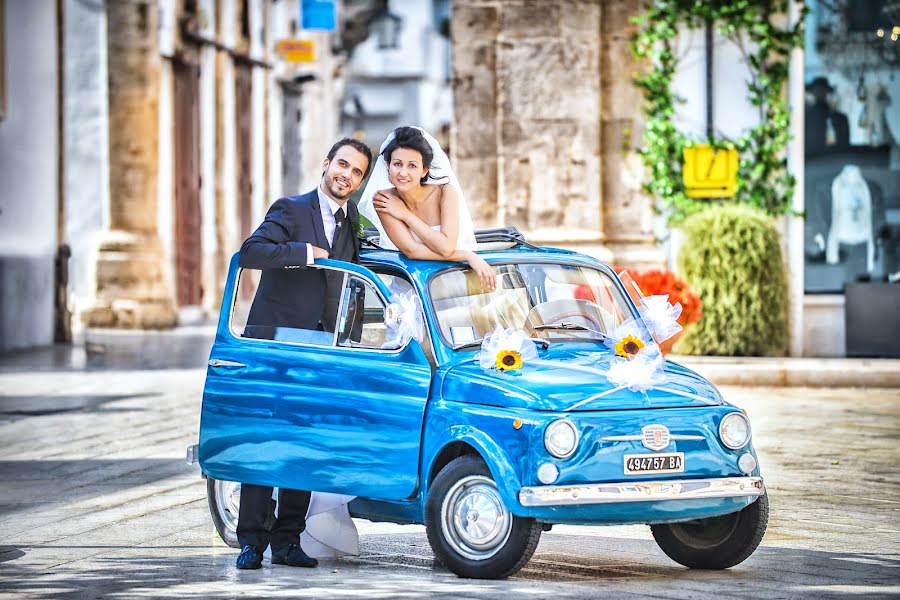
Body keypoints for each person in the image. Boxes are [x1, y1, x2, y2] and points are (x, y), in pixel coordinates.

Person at [233, 137, 373, 570]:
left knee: (304, 445)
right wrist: (302, 254)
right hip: (276, 346)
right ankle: (251, 541)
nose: (346, 175)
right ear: (327, 164)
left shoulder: (354, 226)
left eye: (356, 172)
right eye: (342, 165)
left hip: (320, 352)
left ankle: (288, 540)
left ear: (361, 181)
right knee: (265, 443)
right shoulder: (291, 209)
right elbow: (250, 253)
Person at [358, 126, 496, 290]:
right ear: (388, 166)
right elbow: (411, 250)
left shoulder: (445, 191)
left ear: (424, 170)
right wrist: (466, 255)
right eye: (397, 164)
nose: (403, 172)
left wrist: (405, 215)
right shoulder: (384, 200)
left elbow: (446, 247)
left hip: (452, 282)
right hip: (412, 287)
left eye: (412, 166)